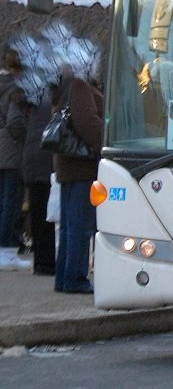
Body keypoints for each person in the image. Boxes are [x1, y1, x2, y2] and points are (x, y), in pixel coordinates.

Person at [51, 66, 103, 294]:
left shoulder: (68, 85)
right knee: (80, 226)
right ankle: (75, 278)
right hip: (82, 166)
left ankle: (64, 277)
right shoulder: (80, 85)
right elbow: (87, 123)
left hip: (69, 165)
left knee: (70, 227)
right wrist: (107, 143)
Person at [0, 42, 30, 271]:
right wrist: (26, 138)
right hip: (12, 151)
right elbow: (14, 121)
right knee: (11, 203)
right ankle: (7, 251)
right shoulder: (18, 88)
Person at [22, 83, 56, 276]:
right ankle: (47, 263)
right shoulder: (51, 100)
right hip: (45, 160)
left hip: (32, 159)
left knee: (38, 213)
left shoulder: (35, 98)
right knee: (47, 214)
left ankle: (41, 262)